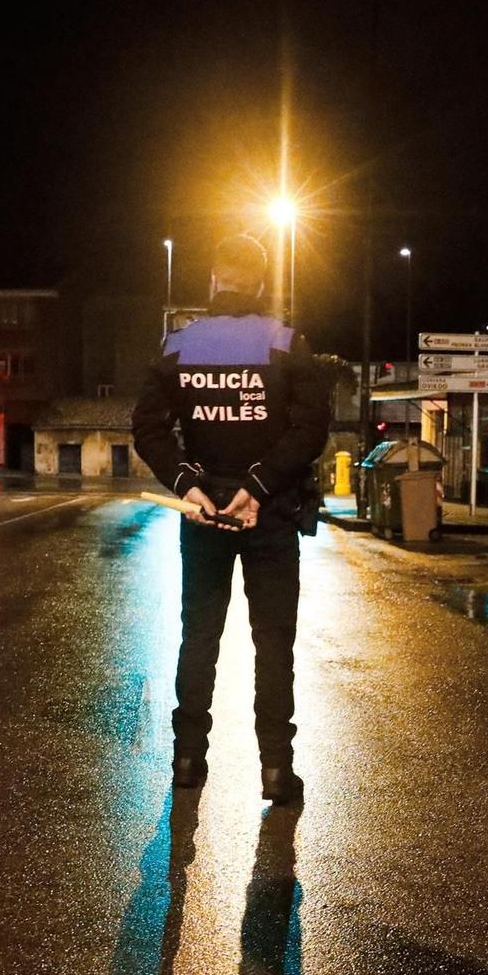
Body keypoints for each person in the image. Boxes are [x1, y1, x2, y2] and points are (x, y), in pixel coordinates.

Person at [132, 232, 334, 804]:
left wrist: (188, 486)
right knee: (273, 643)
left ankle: (188, 761)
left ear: (215, 281)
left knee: (199, 635)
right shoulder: (288, 344)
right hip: (267, 515)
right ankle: (276, 768)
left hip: (202, 515)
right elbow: (310, 429)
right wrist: (258, 487)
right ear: (263, 284)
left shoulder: (177, 348)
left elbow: (147, 429)